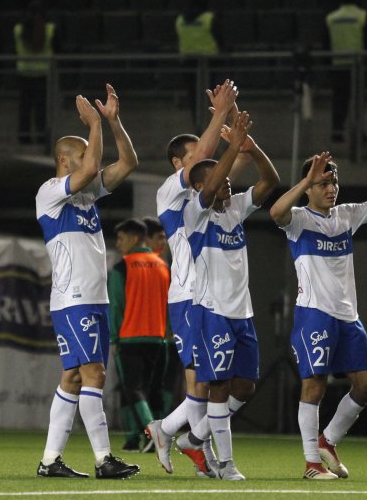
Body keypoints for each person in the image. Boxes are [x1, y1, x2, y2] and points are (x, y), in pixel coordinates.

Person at [269, 139, 367, 479]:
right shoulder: (299, 220)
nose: (331, 188)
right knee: (315, 384)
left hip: (348, 315)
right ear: (309, 188)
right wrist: (305, 180)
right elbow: (275, 212)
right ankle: (311, 463)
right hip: (314, 313)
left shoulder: (347, 215)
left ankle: (329, 440)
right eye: (323, 183)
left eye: (333, 181)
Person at [34, 83, 140, 479]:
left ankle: (49, 461)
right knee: (94, 374)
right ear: (64, 160)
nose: (89, 160)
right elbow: (94, 166)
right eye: (80, 155)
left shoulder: (86, 195)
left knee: (74, 376)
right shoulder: (49, 193)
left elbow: (128, 161)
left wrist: (112, 122)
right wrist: (93, 124)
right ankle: (103, 459)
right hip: (74, 297)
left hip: (92, 299)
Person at [171, 110, 278, 481]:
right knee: (217, 387)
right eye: (223, 184)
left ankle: (195, 437)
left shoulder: (233, 211)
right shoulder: (194, 215)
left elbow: (271, 180)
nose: (230, 187)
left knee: (245, 387)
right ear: (204, 188)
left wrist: (252, 147)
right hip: (211, 312)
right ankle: (226, 463)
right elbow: (214, 180)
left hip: (241, 313)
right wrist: (230, 147)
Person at [144, 79, 240, 479]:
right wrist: (219, 114)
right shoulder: (170, 192)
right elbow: (206, 152)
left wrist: (235, 129)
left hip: (210, 297)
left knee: (213, 380)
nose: (203, 161)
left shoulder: (205, 194)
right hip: (186, 296)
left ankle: (174, 434)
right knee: (201, 381)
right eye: (193, 157)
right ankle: (187, 442)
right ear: (176, 164)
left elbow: (216, 161)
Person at [107, 219, 170, 452]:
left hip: (130, 338)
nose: (118, 243)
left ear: (134, 238)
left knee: (132, 388)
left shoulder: (122, 267)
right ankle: (140, 438)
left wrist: (114, 337)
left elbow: (116, 307)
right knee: (153, 390)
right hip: (158, 339)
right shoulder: (163, 266)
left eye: (121, 238)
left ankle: (151, 433)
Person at [142, 217, 175, 420]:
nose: (163, 243)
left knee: (166, 382)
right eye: (159, 238)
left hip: (167, 334)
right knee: (145, 384)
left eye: (165, 238)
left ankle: (160, 424)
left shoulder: (168, 264)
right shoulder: (144, 266)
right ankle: (146, 430)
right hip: (150, 334)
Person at [325, 0, 367, 143]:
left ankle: (337, 132)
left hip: (338, 64)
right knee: (357, 100)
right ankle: (358, 134)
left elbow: (326, 43)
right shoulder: (361, 16)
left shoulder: (331, 18)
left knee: (339, 100)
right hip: (356, 66)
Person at [175, 0, 221, 132]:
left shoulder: (180, 20)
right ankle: (210, 130)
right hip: (210, 65)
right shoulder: (209, 18)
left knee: (194, 99)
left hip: (188, 65)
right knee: (212, 99)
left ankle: (199, 128)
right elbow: (221, 40)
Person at [14, 0, 57, 145]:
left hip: (25, 73)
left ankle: (24, 138)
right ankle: (41, 137)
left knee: (25, 109)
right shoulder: (50, 28)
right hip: (43, 74)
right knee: (41, 110)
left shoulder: (18, 29)